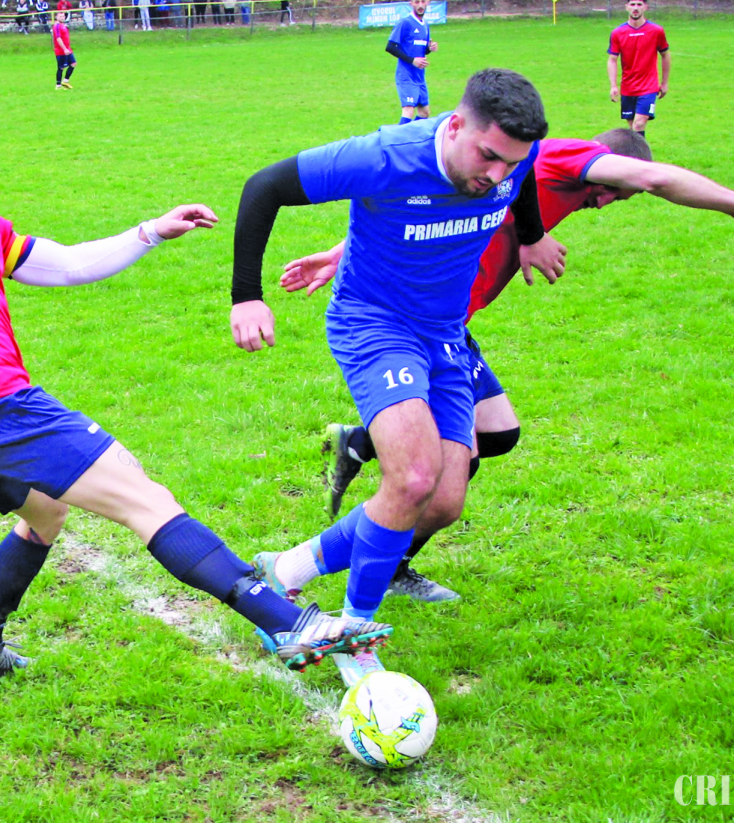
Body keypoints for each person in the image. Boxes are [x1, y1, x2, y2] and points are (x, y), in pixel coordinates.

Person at [0, 80, 391, 682]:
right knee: (145, 498)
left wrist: (150, 231)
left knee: (44, 516)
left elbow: (68, 264)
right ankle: (288, 623)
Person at [271, 129, 734, 619]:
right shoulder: (568, 159)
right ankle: (371, 561)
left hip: (448, 327)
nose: (606, 202)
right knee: (430, 482)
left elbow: (444, 211)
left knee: (496, 435)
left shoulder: (519, 175)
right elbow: (654, 176)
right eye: (613, 191)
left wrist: (531, 233)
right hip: (411, 326)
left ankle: (361, 458)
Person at [229, 68, 565, 686]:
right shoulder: (385, 156)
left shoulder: (511, 161)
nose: (497, 173)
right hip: (374, 323)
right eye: (488, 156)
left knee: (443, 499)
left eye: (510, 163)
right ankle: (354, 636)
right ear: (455, 125)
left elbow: (521, 184)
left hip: (446, 333)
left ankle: (287, 569)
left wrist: (533, 237)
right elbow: (264, 186)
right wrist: (246, 296)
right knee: (411, 476)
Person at [607, 0, 668, 140]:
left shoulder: (656, 31)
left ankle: (641, 153)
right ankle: (635, 153)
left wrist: (664, 83)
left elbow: (665, 55)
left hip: (649, 86)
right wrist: (613, 86)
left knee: (639, 124)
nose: (635, 8)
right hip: (628, 87)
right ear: (626, 7)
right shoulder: (618, 33)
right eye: (632, 4)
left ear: (645, 7)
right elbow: (612, 59)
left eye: (639, 5)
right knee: (632, 129)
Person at [386, 0, 436, 125]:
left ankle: (411, 135)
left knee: (424, 112)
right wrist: (412, 60)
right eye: (416, 2)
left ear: (427, 3)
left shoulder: (425, 25)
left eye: (423, 1)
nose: (420, 5)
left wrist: (429, 48)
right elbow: (390, 47)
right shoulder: (405, 22)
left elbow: (422, 49)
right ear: (411, 4)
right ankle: (398, 136)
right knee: (408, 110)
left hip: (419, 76)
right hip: (406, 74)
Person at [52, 10, 75, 89]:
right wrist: (64, 49)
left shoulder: (63, 25)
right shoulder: (57, 26)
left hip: (68, 49)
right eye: (60, 16)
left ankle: (65, 81)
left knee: (73, 63)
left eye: (63, 16)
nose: (62, 18)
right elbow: (58, 38)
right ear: (56, 17)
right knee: (61, 67)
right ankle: (58, 85)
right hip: (61, 50)